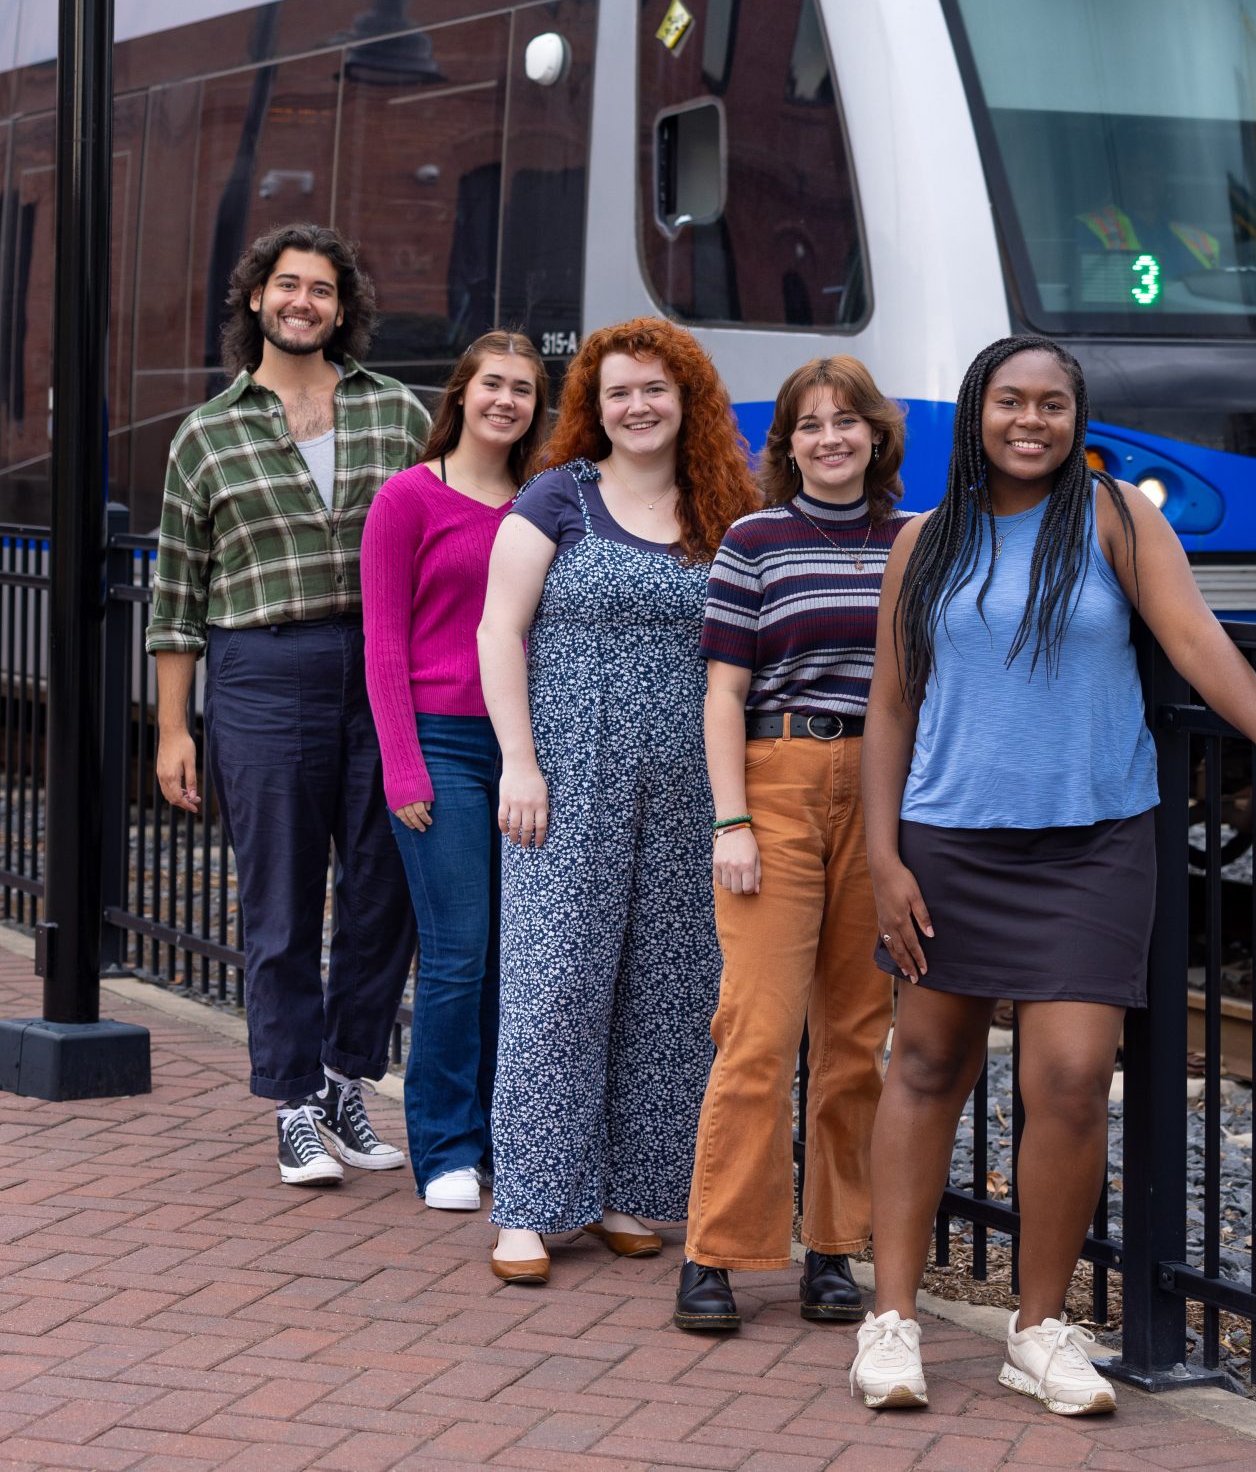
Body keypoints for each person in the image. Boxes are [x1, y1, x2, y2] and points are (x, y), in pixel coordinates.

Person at [850, 335, 1256, 1418]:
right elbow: (891, 704)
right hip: (949, 839)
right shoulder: (924, 542)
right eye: (1006, 402)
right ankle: (888, 1320)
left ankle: (1037, 1329)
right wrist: (883, 857)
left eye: (1051, 406)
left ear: (1076, 422)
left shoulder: (1119, 519)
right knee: (927, 1066)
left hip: (1090, 841)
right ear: (975, 412)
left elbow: (1197, 643)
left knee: (1071, 1080)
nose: (1028, 422)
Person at [477, 318, 760, 1285]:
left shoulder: (725, 508)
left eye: (655, 389)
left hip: (689, 781)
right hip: (568, 777)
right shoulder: (557, 498)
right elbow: (496, 632)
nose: (638, 407)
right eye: (618, 393)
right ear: (595, 412)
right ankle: (528, 1203)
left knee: (671, 989)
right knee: (555, 985)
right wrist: (519, 759)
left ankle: (635, 1193)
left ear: (689, 400)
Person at [147, 223, 429, 1188]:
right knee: (279, 901)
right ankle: (294, 1104)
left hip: (383, 669)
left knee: (383, 892)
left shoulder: (398, 416)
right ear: (256, 301)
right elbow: (177, 598)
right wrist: (173, 729)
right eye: (286, 286)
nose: (302, 302)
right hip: (263, 671)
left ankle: (348, 1079)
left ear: (342, 309)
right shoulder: (207, 434)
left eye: (321, 289)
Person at [675, 358, 909, 1336]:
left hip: (883, 791)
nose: (828, 439)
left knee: (854, 1038)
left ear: (875, 435)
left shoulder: (915, 540)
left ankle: (830, 1252)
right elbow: (722, 693)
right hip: (775, 782)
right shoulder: (752, 541)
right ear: (785, 444)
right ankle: (716, 1254)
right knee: (758, 1030)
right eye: (807, 426)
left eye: (845, 421)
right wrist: (729, 820)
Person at [361, 331, 548, 1213]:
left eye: (522, 389)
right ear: (462, 395)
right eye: (492, 385)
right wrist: (404, 767)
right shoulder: (408, 498)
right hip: (440, 745)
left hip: (526, 753)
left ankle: (504, 1136)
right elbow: (383, 644)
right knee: (456, 953)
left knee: (518, 958)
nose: (506, 400)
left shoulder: (544, 503)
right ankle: (443, 1147)